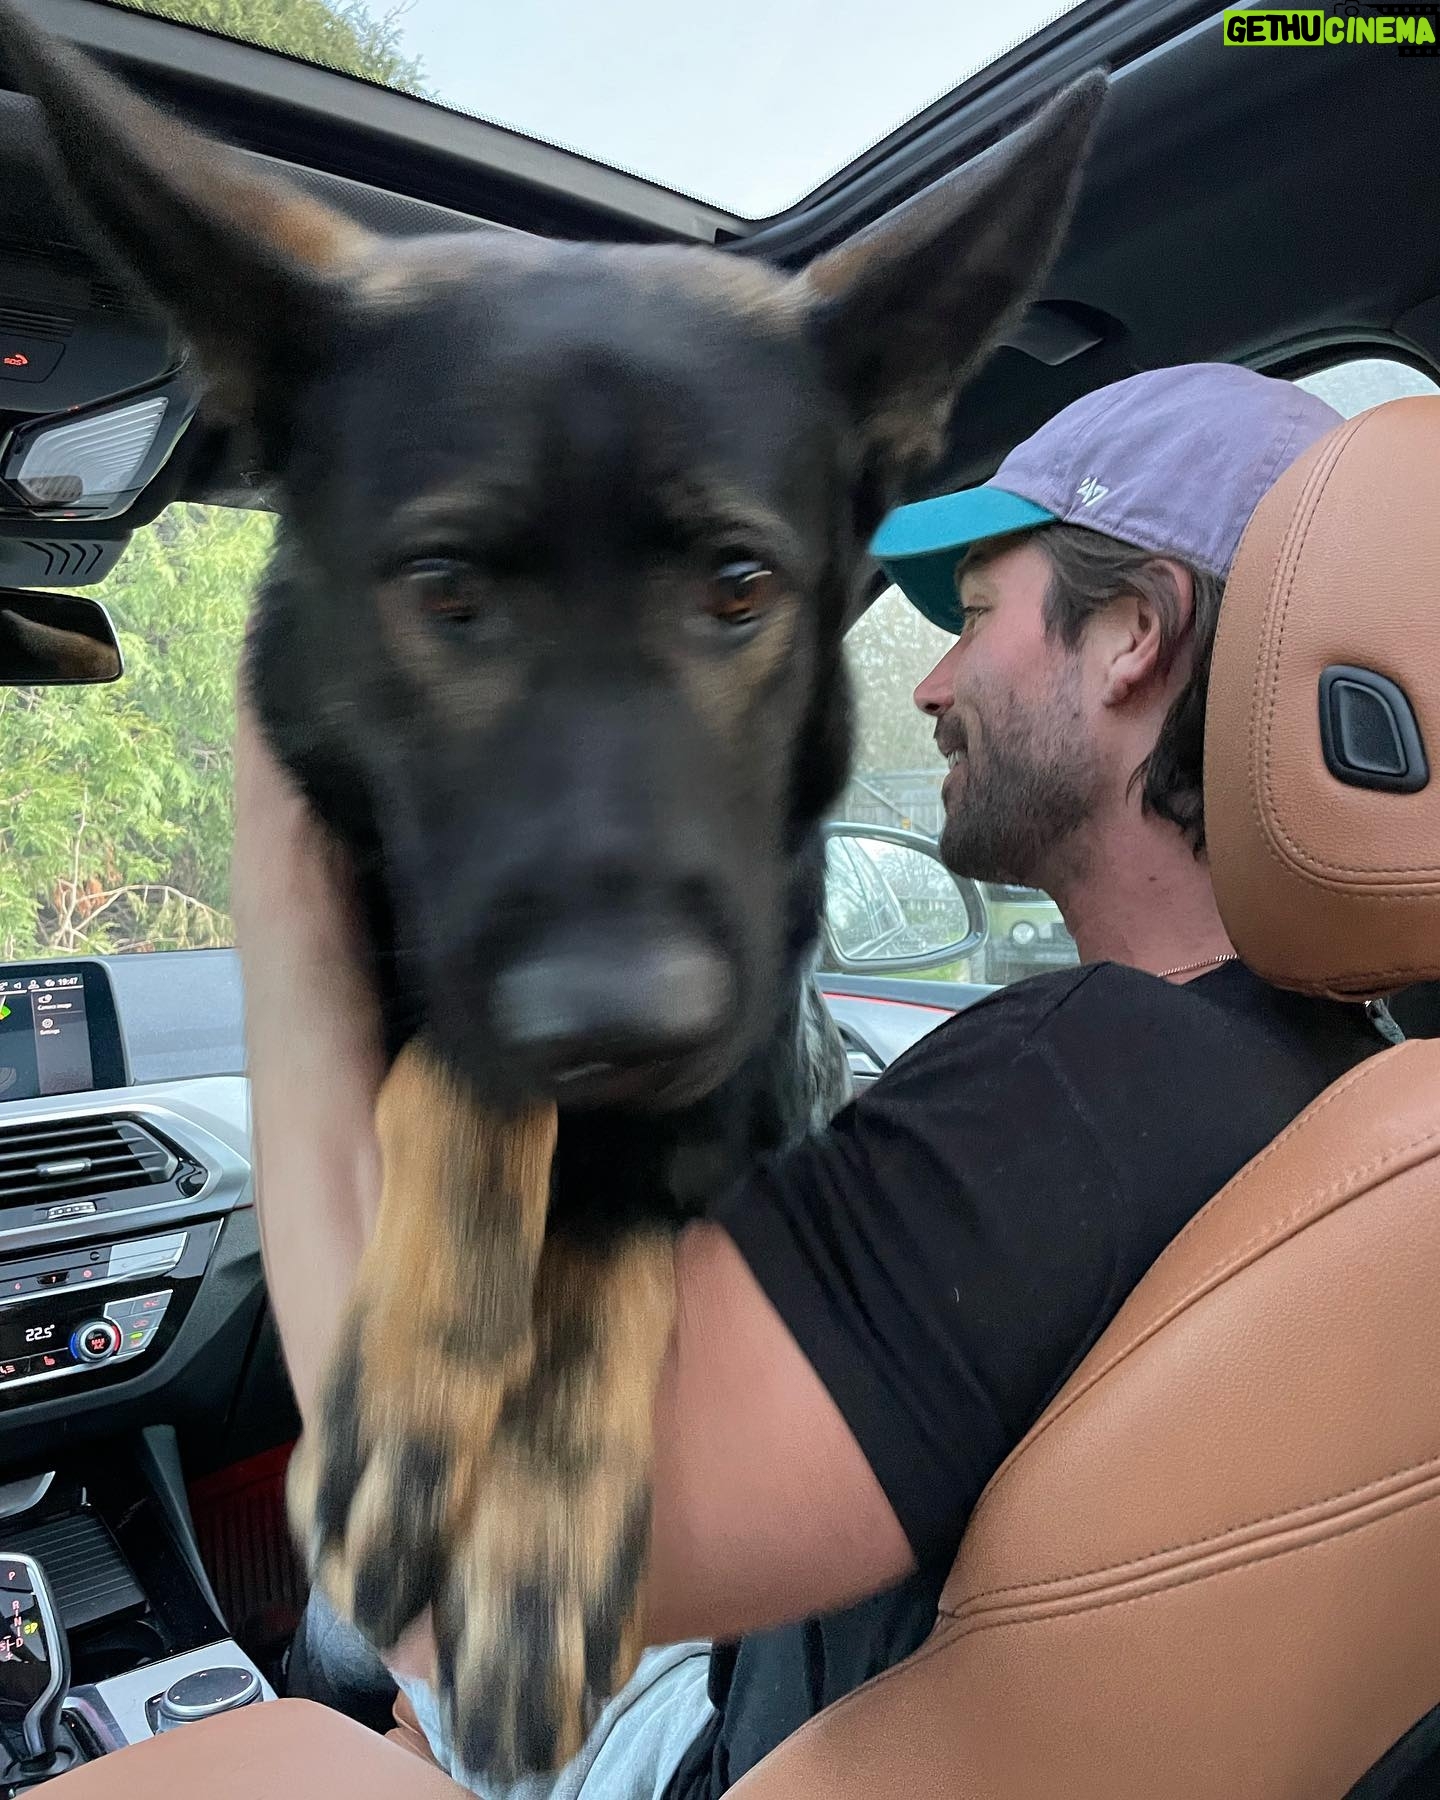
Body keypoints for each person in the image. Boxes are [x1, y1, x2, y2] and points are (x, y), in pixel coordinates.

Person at [239, 363, 1383, 1800]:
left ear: (1132, 637)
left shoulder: (1081, 1083)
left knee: (361, 1635)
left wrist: (291, 863)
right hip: (926, 1706)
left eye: (977, 617)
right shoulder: (1363, 1086)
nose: (932, 683)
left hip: (742, 1757)